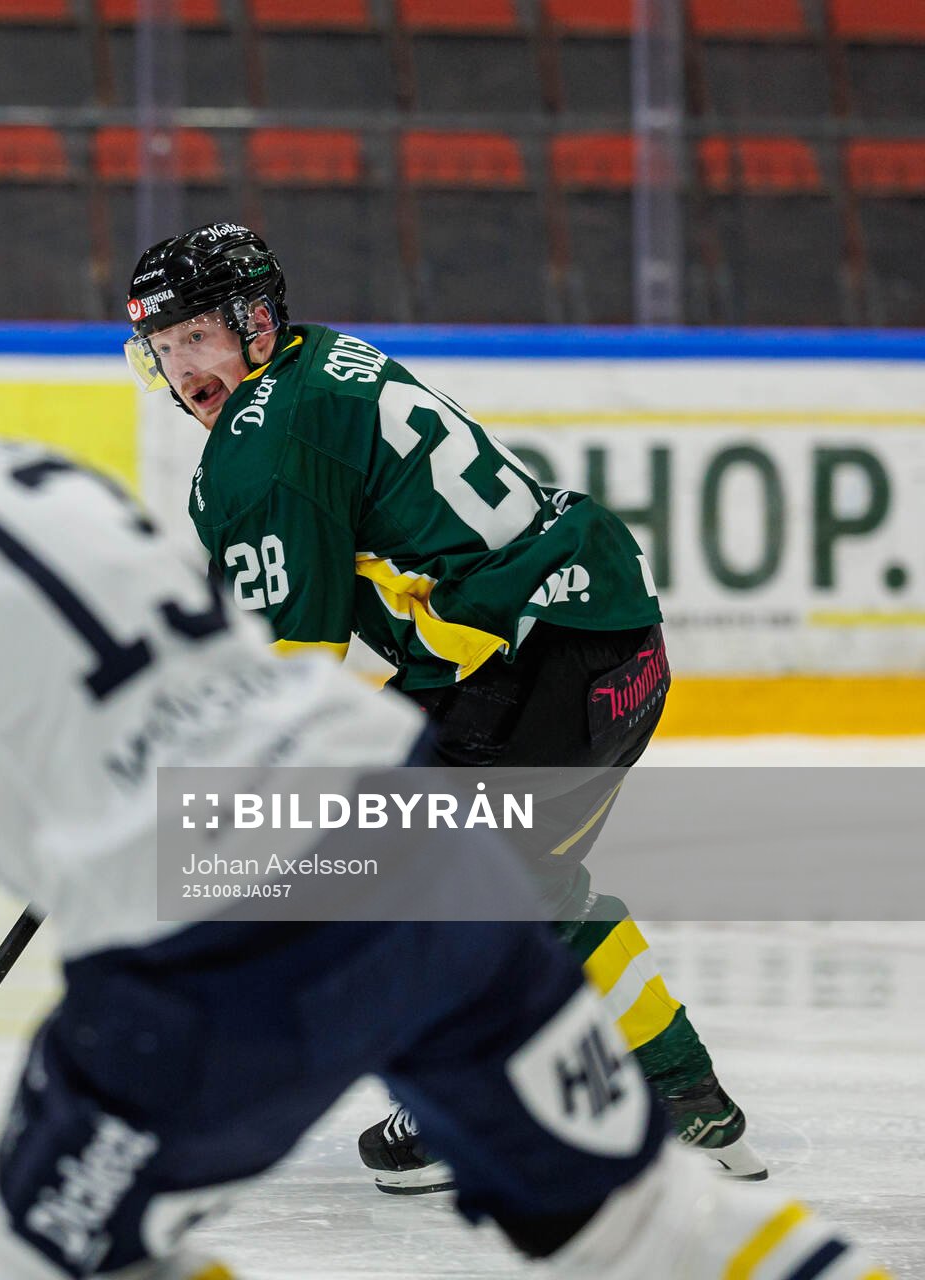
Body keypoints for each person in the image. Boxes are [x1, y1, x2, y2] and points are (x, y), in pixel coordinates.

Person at [0, 311, 869, 1280]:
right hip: (407, 822)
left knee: (62, 1252)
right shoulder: (31, 470)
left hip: (226, 922)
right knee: (647, 1226)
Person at [122, 221, 763, 1196]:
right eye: (164, 347)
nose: (183, 370)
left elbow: (295, 680)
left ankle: (511, 1096)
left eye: (198, 337)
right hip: (603, 645)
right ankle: (667, 1092)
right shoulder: (319, 362)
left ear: (254, 322)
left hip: (536, 669)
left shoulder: (262, 452)